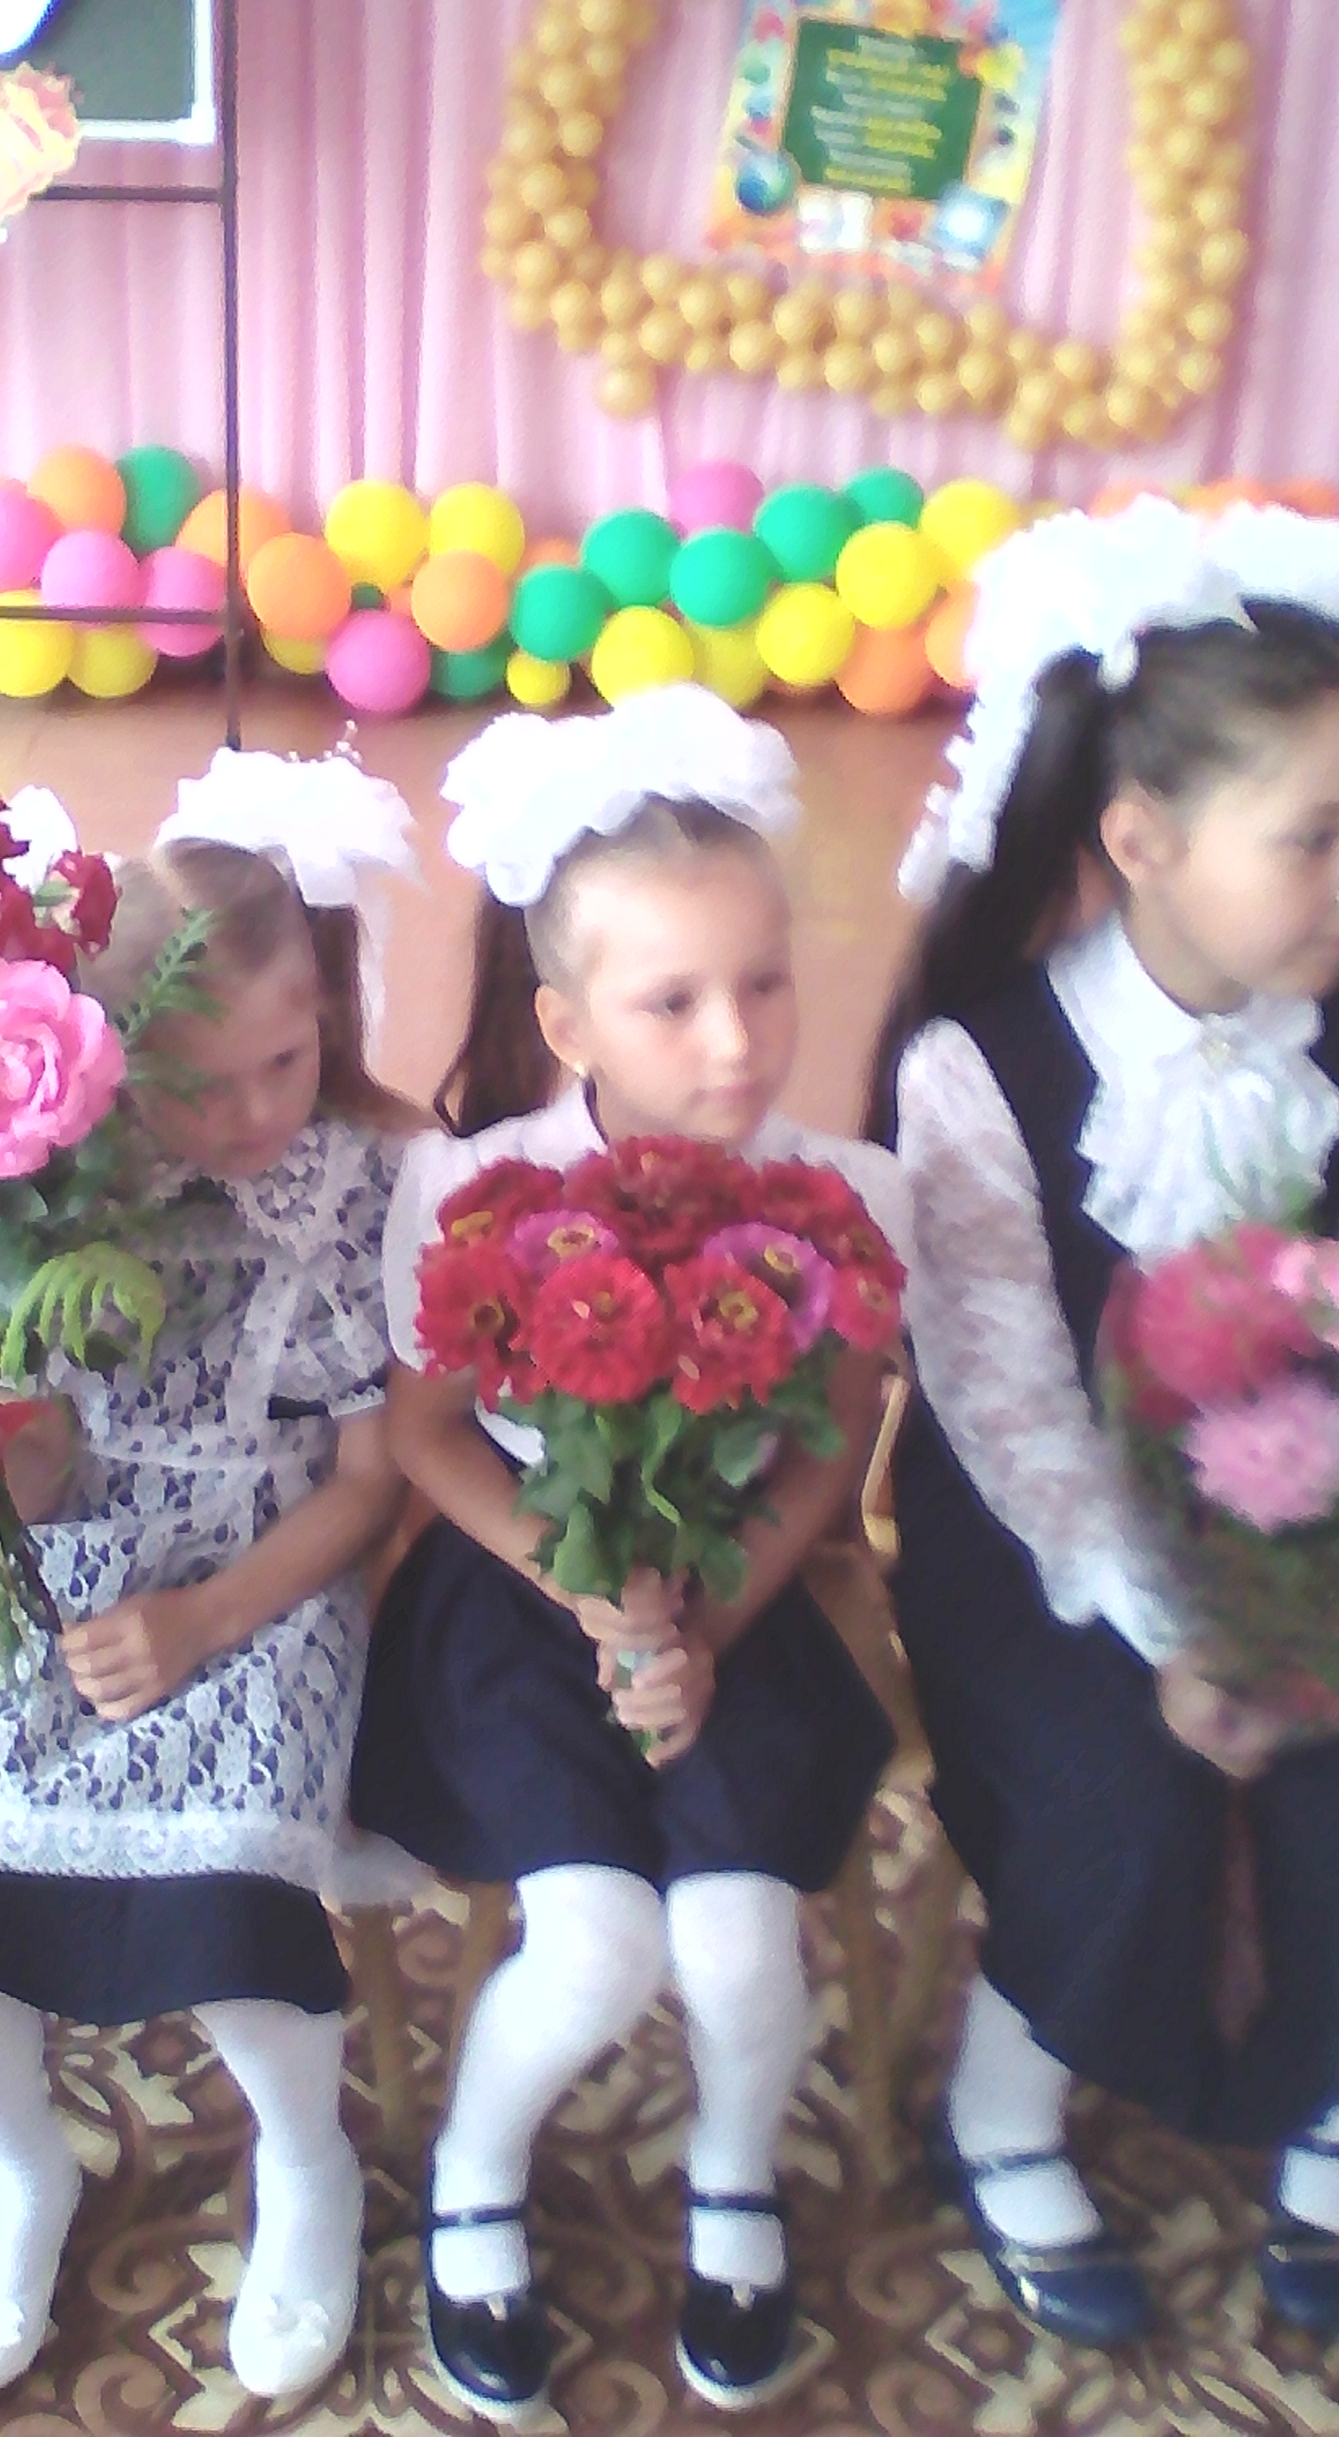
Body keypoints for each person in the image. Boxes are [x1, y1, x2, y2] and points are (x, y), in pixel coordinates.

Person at [869, 497, 1339, 2347]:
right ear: (1143, 839)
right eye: (1315, 837)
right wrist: (1184, 1632)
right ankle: (1000, 2107)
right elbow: (1007, 1404)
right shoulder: (980, 1066)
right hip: (1053, 1543)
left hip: (1323, 1511)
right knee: (1121, 1785)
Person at [349, 688, 908, 2418]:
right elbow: (427, 1433)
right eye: (674, 1001)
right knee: (593, 1944)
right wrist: (588, 1586)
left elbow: (830, 1438)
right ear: (567, 1020)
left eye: (767, 984)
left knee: (740, 1944)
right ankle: (475, 2172)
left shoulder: (839, 1194)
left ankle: (737, 2172)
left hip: (741, 1588)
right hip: (527, 1589)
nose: (737, 1043)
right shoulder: (478, 1187)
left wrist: (707, 1621)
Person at [0, 749, 420, 2405]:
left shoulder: (371, 1183)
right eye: (199, 1086)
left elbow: (374, 1480)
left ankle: (305, 2161)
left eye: (285, 1063)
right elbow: (40, 1446)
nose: (252, 1118)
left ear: (327, 1013)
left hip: (272, 1568)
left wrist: (206, 1620)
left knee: (231, 1914)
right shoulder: (53, 1185)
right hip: (71, 1544)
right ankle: (24, 2166)